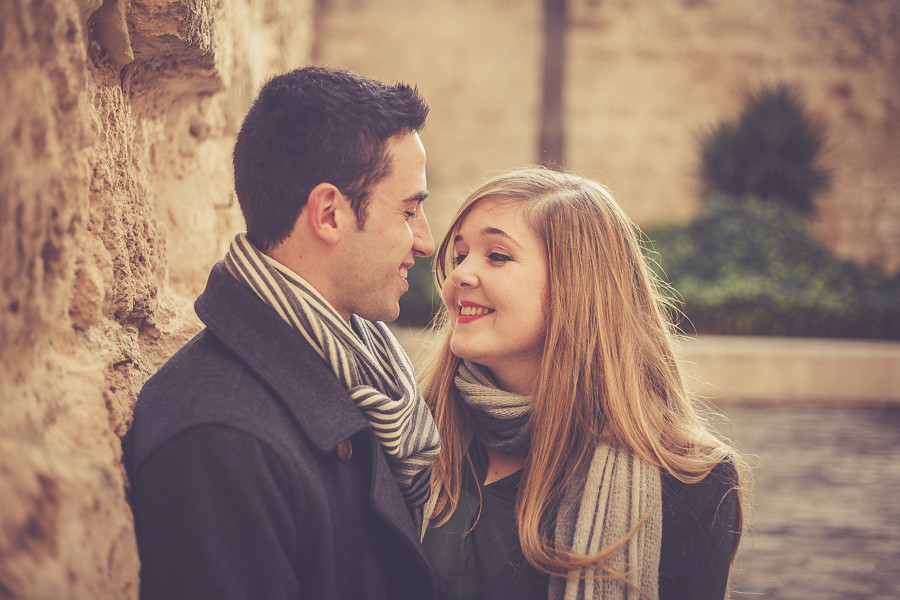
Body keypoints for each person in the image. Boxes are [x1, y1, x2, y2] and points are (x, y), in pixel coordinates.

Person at [124, 66, 442, 600]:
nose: (426, 242)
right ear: (328, 214)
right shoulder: (219, 441)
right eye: (409, 211)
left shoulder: (367, 373)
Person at [419, 166, 746, 600]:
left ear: (576, 287)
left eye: (497, 256)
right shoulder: (404, 432)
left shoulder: (692, 483)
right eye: (460, 255)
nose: (459, 275)